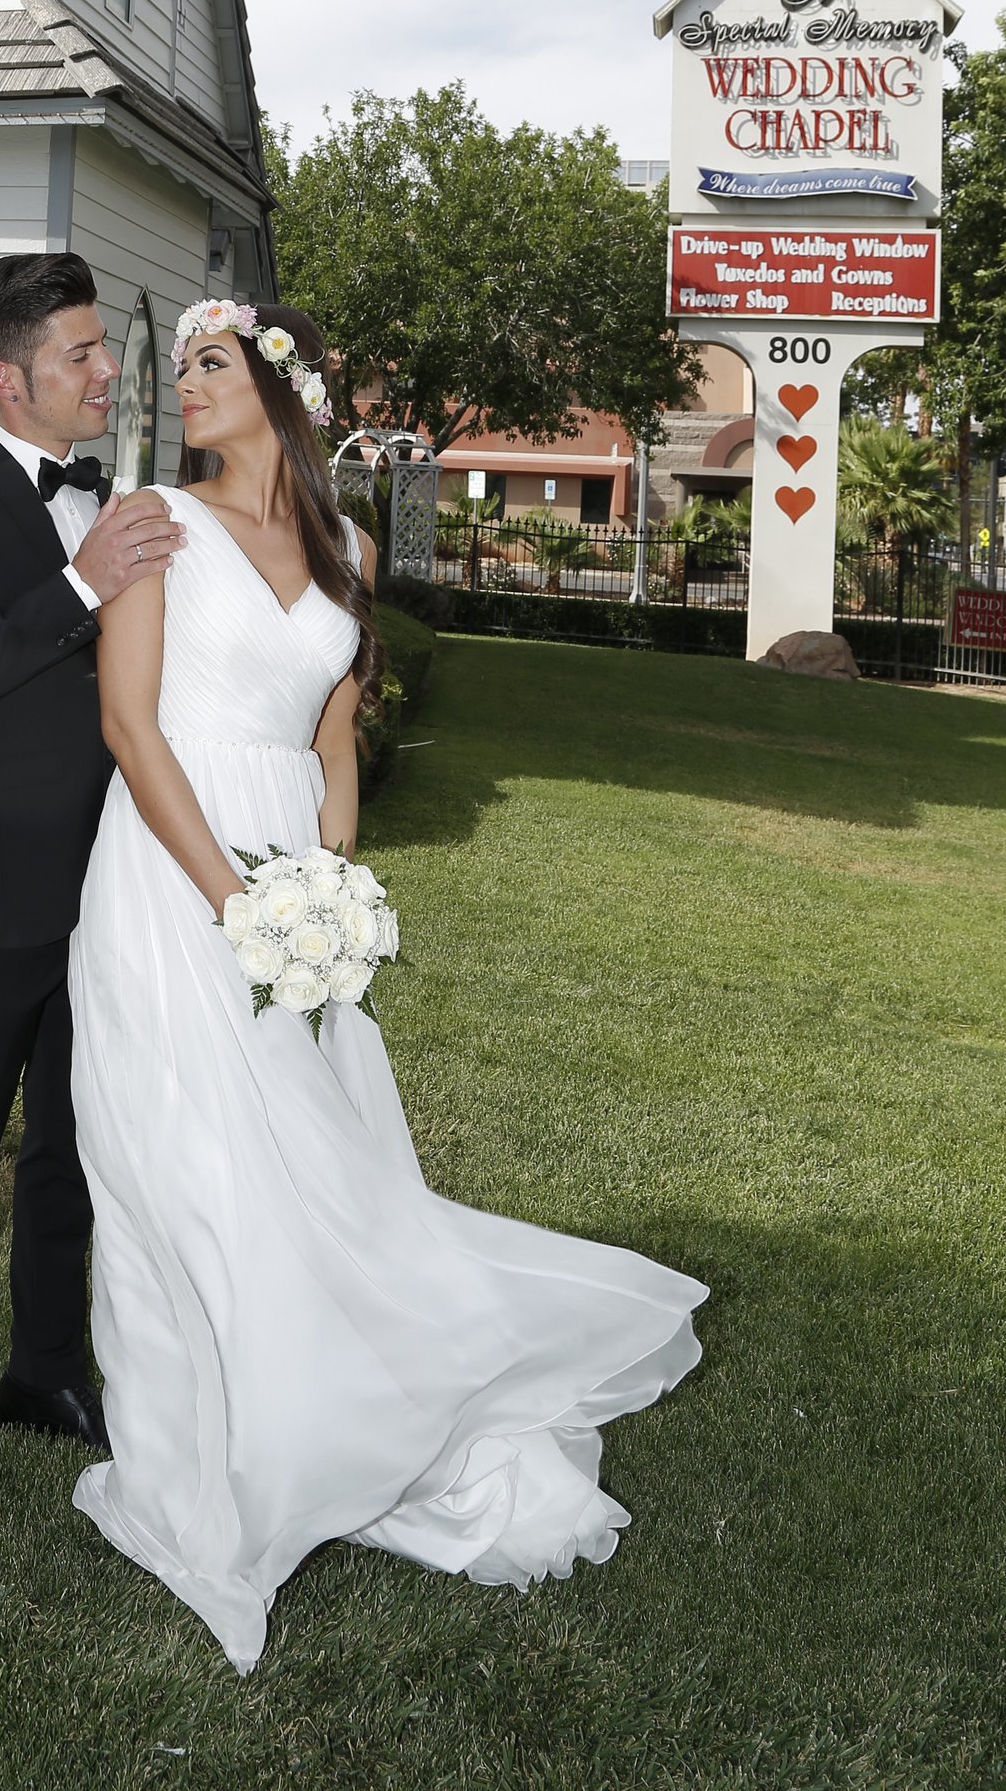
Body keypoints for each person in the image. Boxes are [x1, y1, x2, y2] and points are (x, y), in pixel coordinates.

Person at [67, 298, 707, 1671]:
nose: (185, 383)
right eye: (178, 365)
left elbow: (337, 743)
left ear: (284, 393)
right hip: (172, 870)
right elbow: (128, 725)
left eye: (213, 363)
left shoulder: (351, 549)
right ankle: (206, 1443)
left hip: (292, 882)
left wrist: (329, 893)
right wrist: (234, 897)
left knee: (320, 1160)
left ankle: (333, 1400)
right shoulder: (154, 528)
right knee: (182, 1156)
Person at [0, 252, 185, 1537]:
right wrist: (77, 587)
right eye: (81, 353)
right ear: (9, 380)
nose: (109, 370)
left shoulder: (125, 501)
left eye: (105, 347)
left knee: (74, 1147)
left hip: (116, 893)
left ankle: (45, 1370)